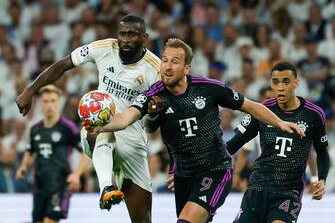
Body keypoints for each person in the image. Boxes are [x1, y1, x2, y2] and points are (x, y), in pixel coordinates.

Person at [86, 38, 304, 223]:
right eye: (164, 60)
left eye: (174, 61)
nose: (167, 66)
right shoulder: (155, 94)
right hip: (183, 175)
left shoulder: (209, 88)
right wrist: (100, 125)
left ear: (186, 68)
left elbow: (251, 106)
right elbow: (126, 118)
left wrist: (281, 123)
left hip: (215, 170)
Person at [16, 15, 160, 222]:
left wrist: (154, 113)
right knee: (101, 129)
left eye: (132, 34)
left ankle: (110, 187)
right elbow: (64, 64)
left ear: (144, 37)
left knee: (143, 219)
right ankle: (106, 188)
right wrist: (31, 90)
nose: (126, 39)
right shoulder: (103, 48)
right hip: (97, 128)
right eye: (122, 34)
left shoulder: (154, 69)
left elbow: (154, 124)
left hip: (133, 142)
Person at [227, 62, 330, 223]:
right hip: (257, 188)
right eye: (275, 82)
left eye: (286, 82)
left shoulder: (314, 114)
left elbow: (322, 152)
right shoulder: (261, 110)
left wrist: (321, 179)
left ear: (296, 83)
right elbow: (233, 145)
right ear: (271, 84)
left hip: (288, 193)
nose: (280, 87)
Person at [16, 85, 87, 223]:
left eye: (53, 101)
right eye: (46, 101)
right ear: (40, 103)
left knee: (50, 221)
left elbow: (86, 152)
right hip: (39, 184)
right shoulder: (35, 129)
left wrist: (77, 174)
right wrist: (23, 167)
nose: (50, 105)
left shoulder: (67, 127)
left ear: (59, 102)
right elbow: (30, 151)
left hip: (60, 185)